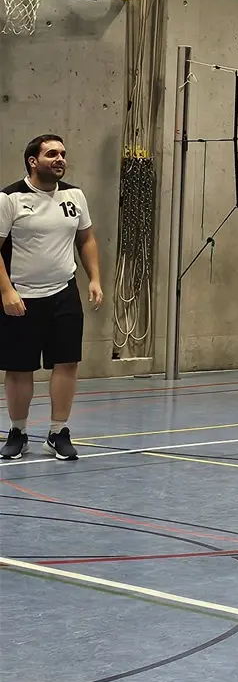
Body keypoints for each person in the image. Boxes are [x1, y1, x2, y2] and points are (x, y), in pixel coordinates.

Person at [1, 135, 104, 461]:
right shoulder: (10, 198)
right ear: (33, 160)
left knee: (67, 362)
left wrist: (95, 280)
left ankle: (58, 432)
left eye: (62, 154)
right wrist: (6, 291)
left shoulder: (74, 196)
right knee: (19, 368)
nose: (60, 159)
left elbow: (85, 239)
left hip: (64, 292)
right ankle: (18, 432)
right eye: (51, 154)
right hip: (21, 296)